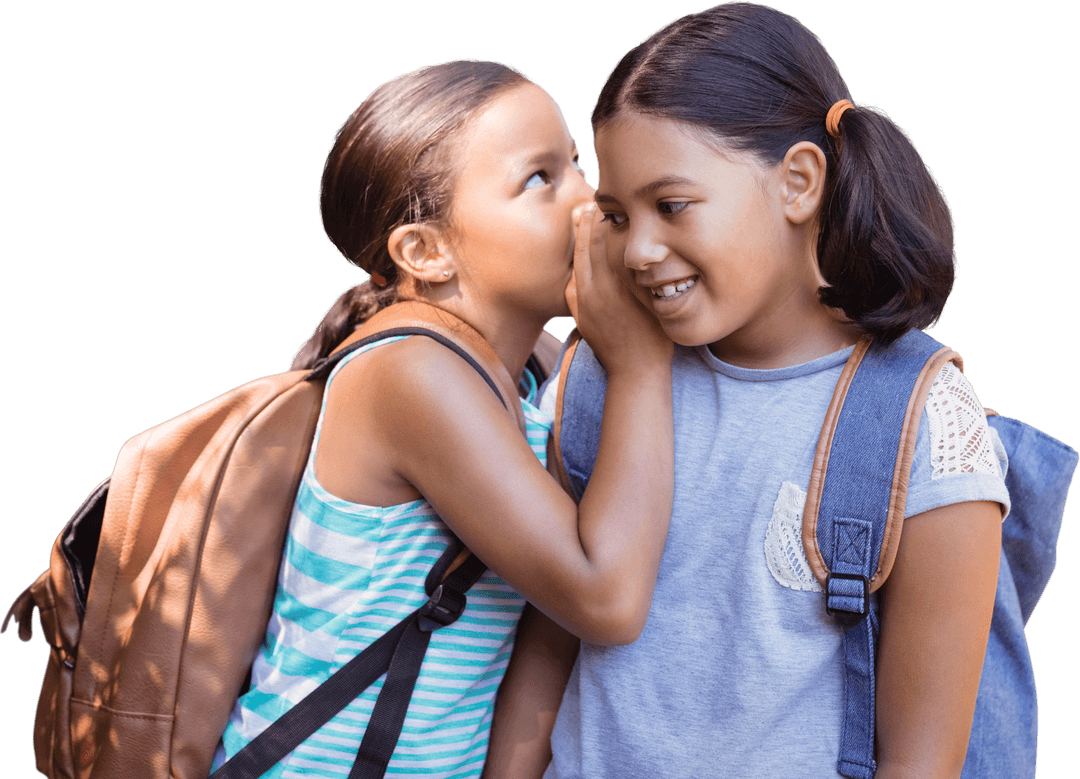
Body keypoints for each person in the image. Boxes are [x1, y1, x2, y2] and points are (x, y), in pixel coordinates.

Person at [484, 5, 1010, 778]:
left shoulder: (922, 422)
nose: (640, 250)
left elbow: (922, 758)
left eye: (672, 205)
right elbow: (549, 640)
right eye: (616, 216)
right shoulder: (603, 373)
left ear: (798, 182)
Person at [213, 59, 675, 778]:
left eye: (579, 167)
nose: (591, 201)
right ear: (425, 252)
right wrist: (641, 365)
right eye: (540, 180)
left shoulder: (531, 370)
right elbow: (605, 598)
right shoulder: (410, 373)